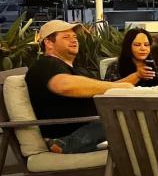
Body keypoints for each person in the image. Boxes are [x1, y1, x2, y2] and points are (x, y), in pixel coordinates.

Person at [25, 20, 133, 154]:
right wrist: (120, 87)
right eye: (66, 37)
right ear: (48, 43)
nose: (74, 40)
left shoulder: (76, 69)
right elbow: (64, 85)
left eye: (75, 37)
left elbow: (108, 86)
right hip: (72, 134)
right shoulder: (45, 65)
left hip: (93, 126)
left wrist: (133, 81)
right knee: (136, 120)